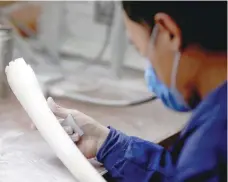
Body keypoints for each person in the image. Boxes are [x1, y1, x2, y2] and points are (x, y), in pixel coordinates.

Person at [47, 2, 227, 182]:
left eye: (144, 53)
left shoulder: (215, 140)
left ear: (169, 33)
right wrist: (106, 144)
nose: (151, 72)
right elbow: (180, 175)